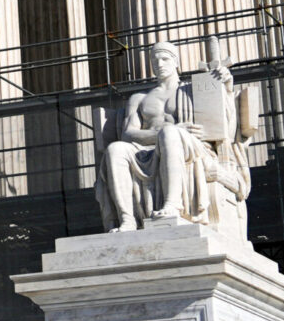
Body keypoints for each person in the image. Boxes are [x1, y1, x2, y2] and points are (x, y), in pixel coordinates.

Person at [95, 42, 253, 233]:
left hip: (189, 146)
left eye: (165, 59)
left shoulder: (193, 90)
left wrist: (226, 86)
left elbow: (224, 122)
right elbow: (128, 134)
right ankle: (127, 219)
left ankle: (173, 204)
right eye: (155, 60)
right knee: (115, 149)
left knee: (169, 133)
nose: (159, 64)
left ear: (176, 61)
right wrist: (162, 132)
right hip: (146, 150)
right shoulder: (139, 98)